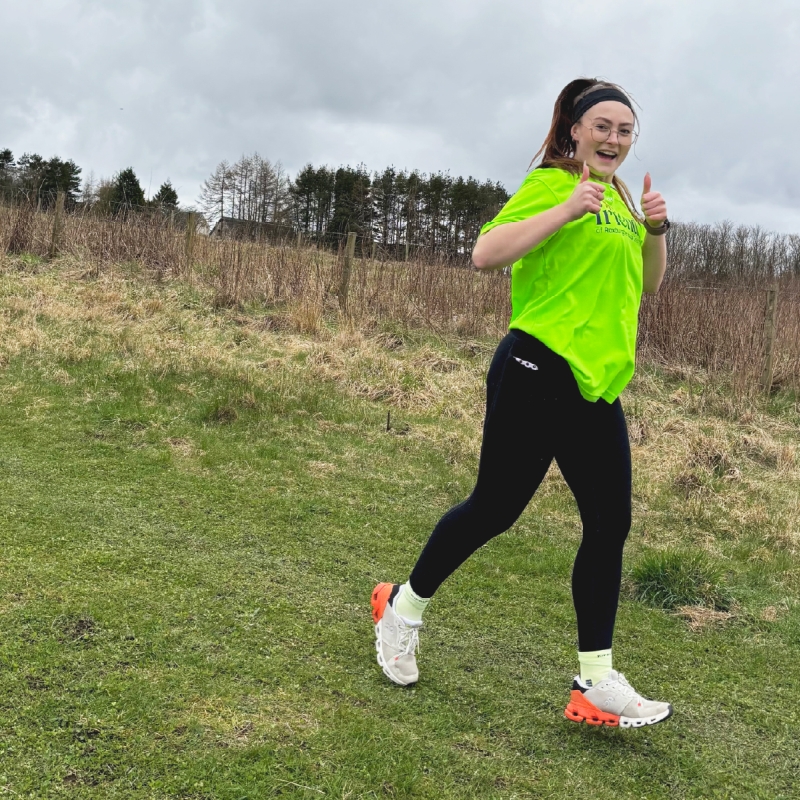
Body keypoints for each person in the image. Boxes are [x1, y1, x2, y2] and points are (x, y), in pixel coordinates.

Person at [371, 78, 673, 729]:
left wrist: (655, 229)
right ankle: (402, 609)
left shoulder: (622, 199)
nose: (614, 139)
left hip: (596, 383)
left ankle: (594, 681)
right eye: (602, 126)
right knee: (494, 509)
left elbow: (650, 284)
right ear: (575, 130)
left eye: (625, 130)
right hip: (536, 368)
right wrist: (565, 209)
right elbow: (485, 254)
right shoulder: (553, 183)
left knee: (609, 524)